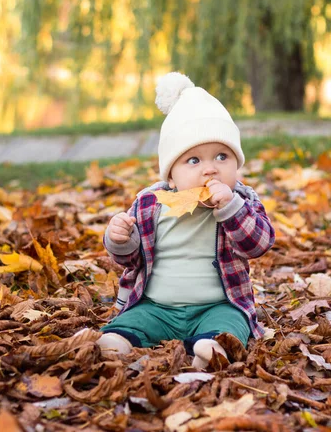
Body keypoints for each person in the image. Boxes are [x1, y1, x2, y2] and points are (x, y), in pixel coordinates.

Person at [97, 72, 275, 369]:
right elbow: (130, 259)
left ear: (236, 163)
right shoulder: (150, 204)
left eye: (221, 156)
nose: (210, 170)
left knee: (233, 322)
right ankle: (119, 341)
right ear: (170, 175)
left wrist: (231, 209)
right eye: (194, 160)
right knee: (133, 320)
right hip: (157, 306)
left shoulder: (241, 201)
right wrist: (119, 239)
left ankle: (213, 347)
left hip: (217, 305)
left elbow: (259, 244)